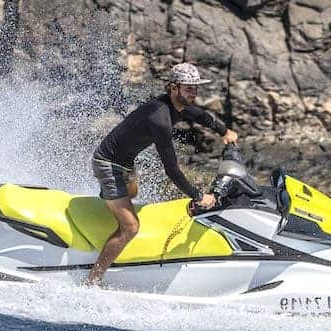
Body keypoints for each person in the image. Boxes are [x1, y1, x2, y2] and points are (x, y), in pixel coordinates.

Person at [87, 62, 239, 285]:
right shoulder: (159, 118)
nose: (193, 93)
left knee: (132, 194)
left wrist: (224, 131)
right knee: (131, 227)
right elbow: (172, 170)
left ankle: (112, 204)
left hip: (125, 163)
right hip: (107, 164)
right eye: (188, 88)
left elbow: (201, 116)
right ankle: (93, 280)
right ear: (173, 88)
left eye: (195, 88)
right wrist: (198, 196)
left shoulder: (177, 106)